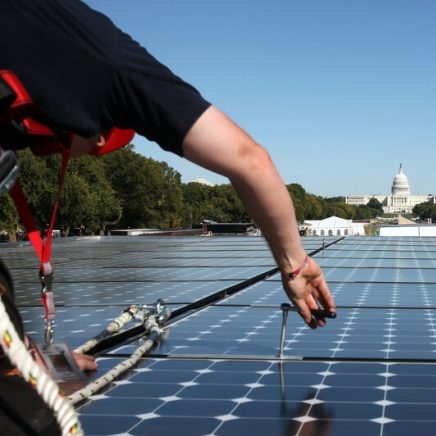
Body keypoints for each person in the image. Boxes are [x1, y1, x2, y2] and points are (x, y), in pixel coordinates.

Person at [0, 1, 335, 346]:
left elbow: (250, 161)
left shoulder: (87, 55)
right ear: (101, 130)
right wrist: (295, 264)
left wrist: (31, 364)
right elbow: (250, 159)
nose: (69, 152)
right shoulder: (115, 69)